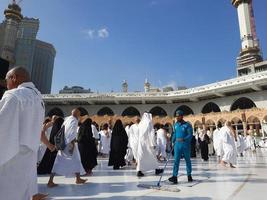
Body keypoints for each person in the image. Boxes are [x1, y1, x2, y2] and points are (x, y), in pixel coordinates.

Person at [0, 67, 45, 200]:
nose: (7, 85)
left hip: (10, 156)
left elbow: (2, 124)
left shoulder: (14, 95)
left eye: (7, 80)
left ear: (14, 78)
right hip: (29, 155)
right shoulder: (39, 98)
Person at [48, 109, 87, 187]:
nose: (79, 116)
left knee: (73, 160)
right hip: (69, 144)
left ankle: (78, 178)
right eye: (79, 114)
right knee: (62, 161)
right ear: (77, 114)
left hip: (63, 143)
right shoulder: (74, 120)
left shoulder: (67, 119)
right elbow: (72, 133)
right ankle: (50, 181)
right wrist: (72, 145)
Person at [168, 110, 193, 184]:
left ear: (182, 116)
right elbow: (175, 134)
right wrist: (172, 141)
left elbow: (190, 135)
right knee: (176, 161)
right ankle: (174, 177)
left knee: (187, 160)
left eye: (178, 116)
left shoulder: (187, 125)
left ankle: (189, 175)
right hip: (177, 145)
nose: (177, 117)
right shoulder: (175, 125)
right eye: (176, 116)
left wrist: (184, 139)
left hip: (185, 145)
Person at [136, 112, 163, 177]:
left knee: (141, 157)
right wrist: (153, 143)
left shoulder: (140, 124)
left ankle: (139, 171)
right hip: (147, 143)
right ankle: (156, 169)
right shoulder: (149, 123)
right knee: (152, 156)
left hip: (141, 143)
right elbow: (151, 133)